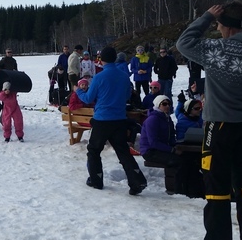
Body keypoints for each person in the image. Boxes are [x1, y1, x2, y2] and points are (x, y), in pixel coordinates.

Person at [177, 1, 242, 240]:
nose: (216, 28)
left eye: (218, 24)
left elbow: (184, 43)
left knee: (216, 181)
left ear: (227, 27)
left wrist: (206, 16)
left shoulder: (218, 50)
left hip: (219, 125)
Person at [76, 46, 147, 195]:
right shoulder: (123, 76)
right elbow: (127, 95)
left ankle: (96, 179)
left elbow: (88, 98)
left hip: (102, 119)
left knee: (94, 150)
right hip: (119, 119)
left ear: (101, 60)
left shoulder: (99, 77)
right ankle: (136, 180)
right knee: (123, 152)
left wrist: (79, 91)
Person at [140, 95, 184, 192]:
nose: (167, 106)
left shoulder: (167, 119)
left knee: (186, 158)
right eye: (164, 104)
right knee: (176, 161)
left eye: (169, 104)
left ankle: (183, 186)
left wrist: (175, 145)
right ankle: (174, 188)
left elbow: (171, 135)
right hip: (150, 151)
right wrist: (172, 150)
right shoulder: (153, 119)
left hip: (161, 148)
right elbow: (153, 142)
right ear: (158, 105)